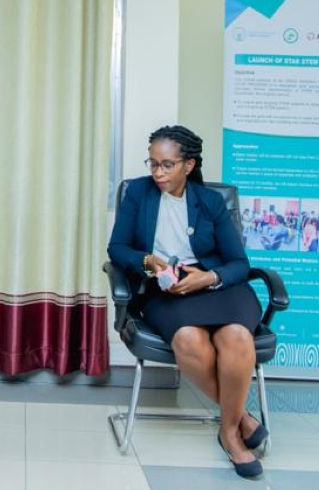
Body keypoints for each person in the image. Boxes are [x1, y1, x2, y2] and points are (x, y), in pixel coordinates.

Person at [107, 125, 266, 479]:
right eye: (153, 164)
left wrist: (208, 277)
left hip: (217, 287)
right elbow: (117, 248)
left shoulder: (210, 202)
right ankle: (240, 420)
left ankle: (228, 434)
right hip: (166, 289)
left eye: (167, 165)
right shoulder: (138, 193)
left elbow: (239, 263)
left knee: (236, 337)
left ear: (188, 165)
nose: (158, 173)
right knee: (190, 340)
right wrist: (148, 261)